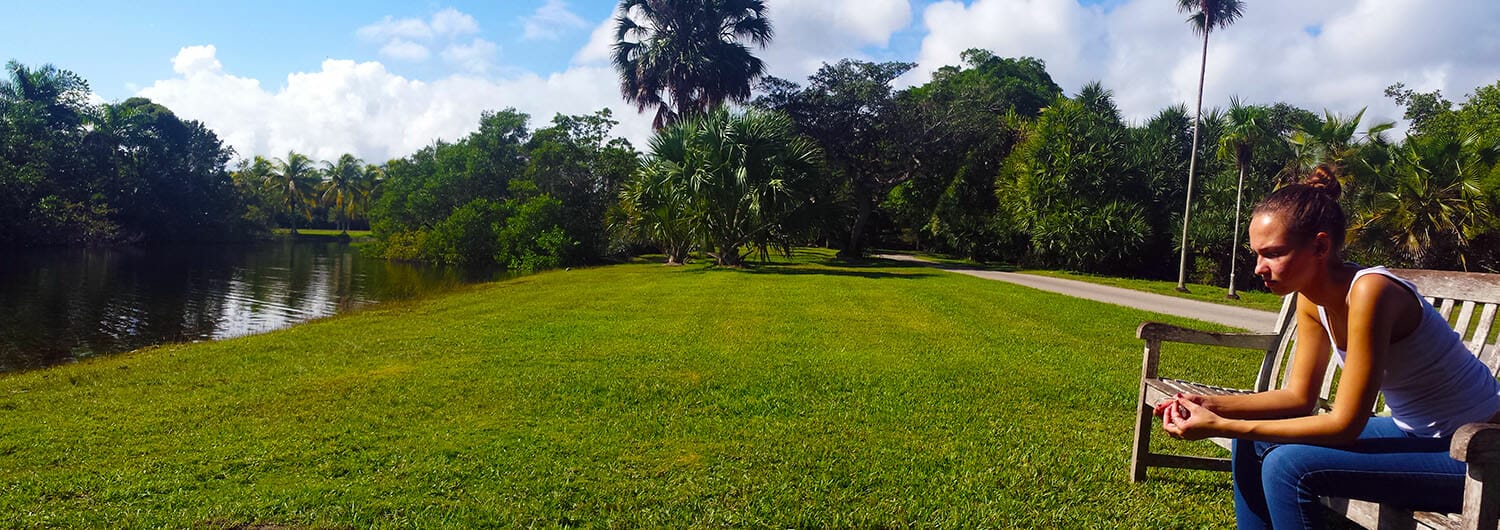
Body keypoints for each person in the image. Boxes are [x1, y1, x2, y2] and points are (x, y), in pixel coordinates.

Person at [1152, 164, 1500, 529]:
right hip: (1417, 433)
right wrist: (1211, 405)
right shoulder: (1311, 298)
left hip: (1480, 453)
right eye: (1257, 254)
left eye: (1272, 254)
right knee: (1248, 440)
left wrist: (1225, 424)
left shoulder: (1371, 292)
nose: (1258, 267)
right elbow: (1298, 397)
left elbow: (1345, 425)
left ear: (1320, 246)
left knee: (1288, 466)